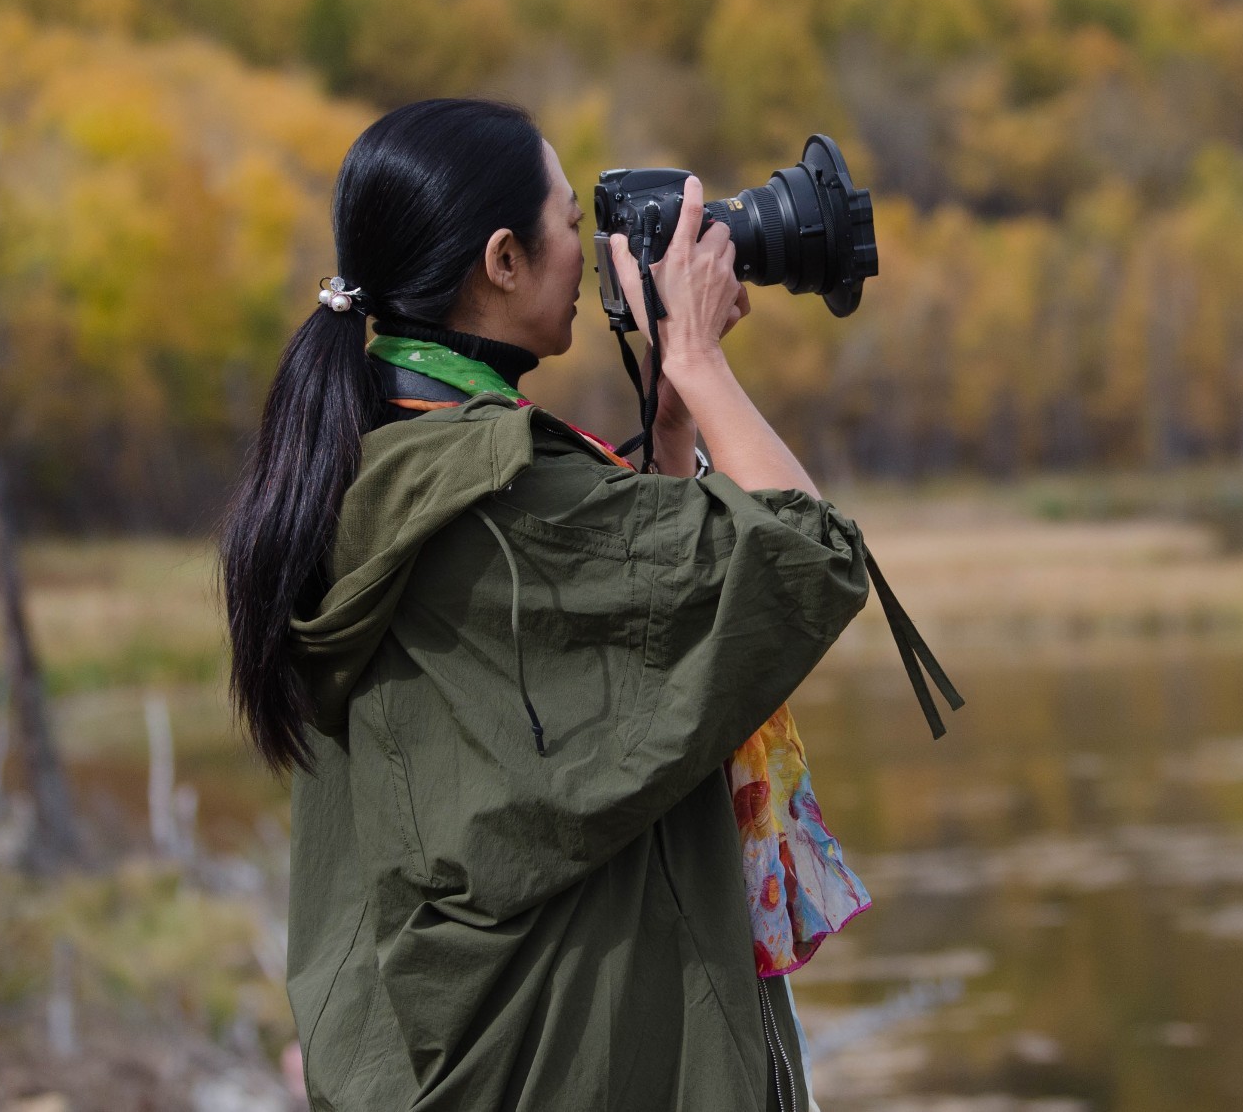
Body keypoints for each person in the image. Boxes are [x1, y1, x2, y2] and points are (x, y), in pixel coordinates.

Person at [219, 98, 876, 1111]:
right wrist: (698, 363)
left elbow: (621, 668)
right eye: (572, 222)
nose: (596, 250)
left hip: (464, 1050)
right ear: (503, 260)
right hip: (563, 1057)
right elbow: (807, 556)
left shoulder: (371, 470)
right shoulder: (495, 492)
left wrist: (664, 434)